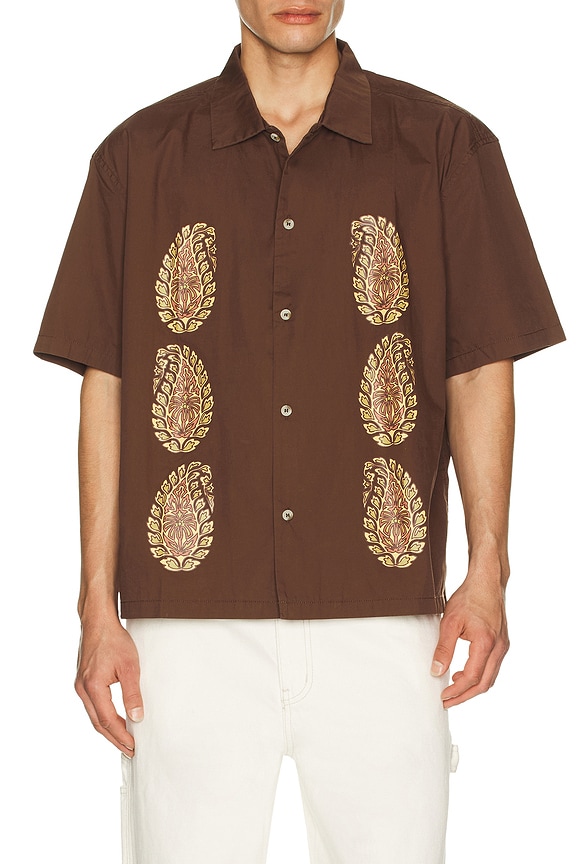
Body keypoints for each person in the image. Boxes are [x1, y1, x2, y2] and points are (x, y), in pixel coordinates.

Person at [34, 2, 565, 862]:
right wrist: (97, 605)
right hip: (187, 621)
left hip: (387, 614)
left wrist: (489, 569)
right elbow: (108, 382)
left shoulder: (445, 148)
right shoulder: (138, 158)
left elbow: (479, 368)